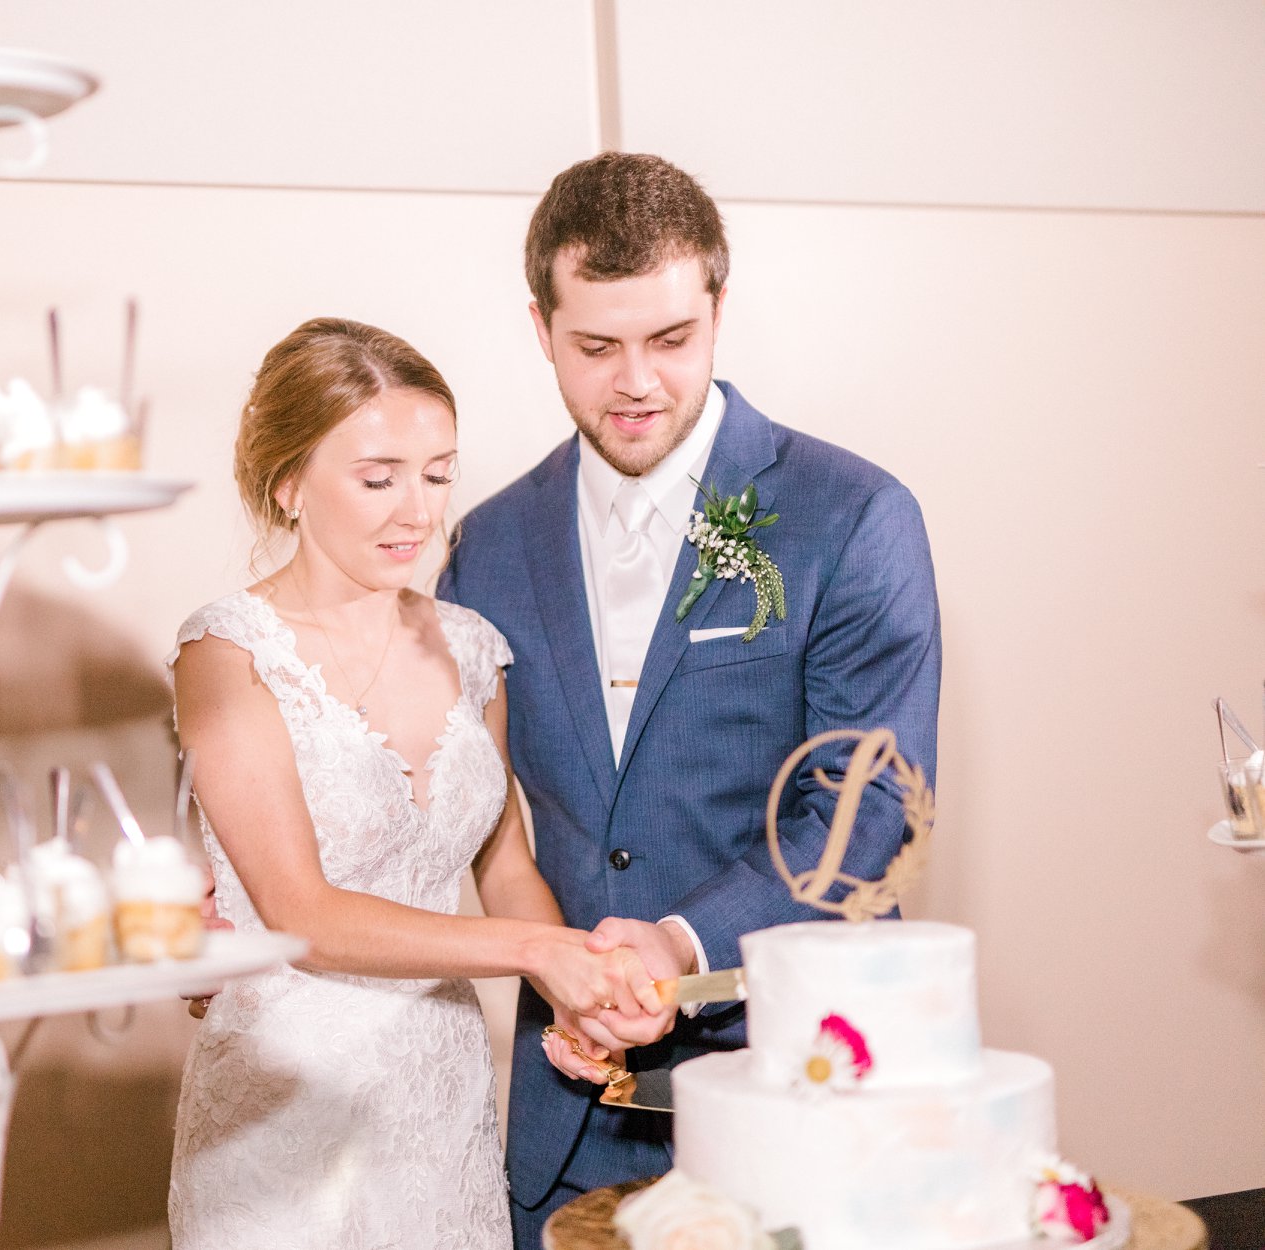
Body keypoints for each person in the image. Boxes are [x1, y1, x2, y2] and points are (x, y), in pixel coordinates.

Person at [437, 152, 942, 1245]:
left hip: (796, 1087)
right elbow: (454, 801)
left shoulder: (852, 516)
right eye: (596, 346)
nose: (636, 382)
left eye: (670, 339)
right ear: (540, 327)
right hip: (570, 1111)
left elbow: (870, 816)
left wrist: (675, 940)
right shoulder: (486, 546)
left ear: (719, 306)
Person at [165, 317, 662, 1249]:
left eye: (437, 474)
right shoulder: (227, 653)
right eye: (377, 477)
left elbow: (504, 863)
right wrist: (531, 953)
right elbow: (298, 914)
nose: (417, 511)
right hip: (290, 1104)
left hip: (441, 1100)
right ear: (288, 484)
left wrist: (577, 992)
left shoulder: (471, 646)